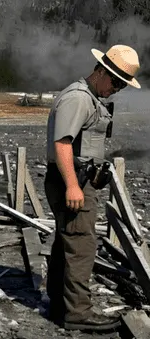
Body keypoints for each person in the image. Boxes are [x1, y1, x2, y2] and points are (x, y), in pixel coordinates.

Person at [44, 44, 141, 332]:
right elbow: (62, 144)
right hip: (72, 180)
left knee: (68, 242)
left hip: (77, 177)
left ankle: (61, 305)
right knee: (82, 245)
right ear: (101, 71)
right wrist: (73, 186)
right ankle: (78, 313)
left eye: (122, 85)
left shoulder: (89, 97)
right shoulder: (79, 99)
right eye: (116, 82)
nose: (117, 89)